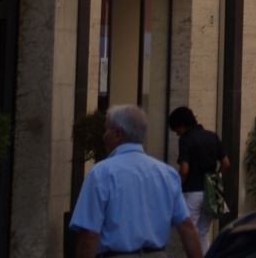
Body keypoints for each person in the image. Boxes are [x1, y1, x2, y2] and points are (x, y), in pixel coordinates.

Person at [70, 105, 203, 258]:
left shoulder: (101, 174)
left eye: (106, 130)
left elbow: (88, 233)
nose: (103, 136)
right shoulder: (167, 174)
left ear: (118, 134)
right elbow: (187, 227)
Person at [167, 106, 229, 253]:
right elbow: (226, 163)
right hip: (211, 191)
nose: (176, 133)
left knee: (189, 235)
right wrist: (216, 179)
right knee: (202, 234)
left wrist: (177, 188)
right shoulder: (212, 136)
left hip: (192, 192)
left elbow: (184, 169)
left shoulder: (186, 140)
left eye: (176, 129)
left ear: (182, 125)